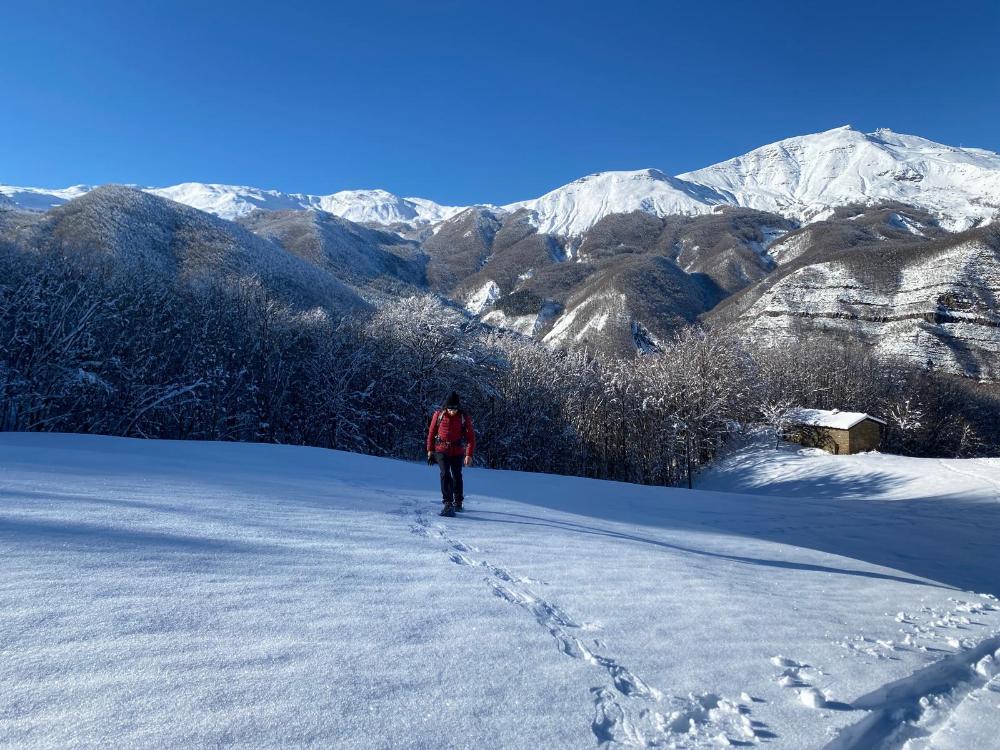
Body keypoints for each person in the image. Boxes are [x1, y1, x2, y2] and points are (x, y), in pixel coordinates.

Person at [426, 391, 475, 517]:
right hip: (441, 450)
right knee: (445, 473)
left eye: (455, 408)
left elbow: (470, 437)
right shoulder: (439, 415)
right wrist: (430, 450)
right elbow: (431, 433)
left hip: (457, 451)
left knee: (457, 475)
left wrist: (469, 455)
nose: (452, 411)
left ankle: (458, 501)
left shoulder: (464, 417)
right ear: (446, 407)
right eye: (450, 408)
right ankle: (448, 502)